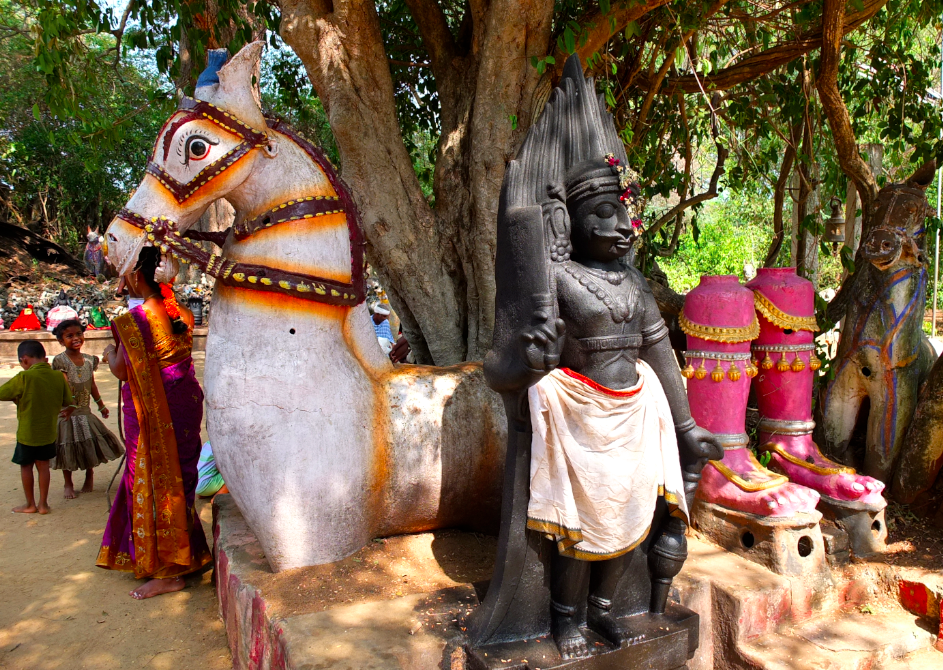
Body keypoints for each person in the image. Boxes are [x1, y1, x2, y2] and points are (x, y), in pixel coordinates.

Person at [97, 247, 212, 599]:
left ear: (136, 275)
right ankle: (187, 555)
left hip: (152, 413)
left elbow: (120, 370)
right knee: (182, 474)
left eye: (123, 273)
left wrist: (110, 354)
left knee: (155, 479)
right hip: (186, 404)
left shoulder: (132, 322)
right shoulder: (184, 314)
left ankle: (169, 570)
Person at [51, 319, 124, 498]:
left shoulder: (90, 361)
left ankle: (89, 474)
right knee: (66, 445)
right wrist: (70, 406)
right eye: (69, 336)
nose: (76, 338)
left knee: (88, 442)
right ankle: (68, 482)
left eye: (78, 334)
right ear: (61, 341)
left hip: (85, 410)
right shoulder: (60, 361)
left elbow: (92, 385)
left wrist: (101, 405)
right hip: (67, 411)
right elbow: (65, 386)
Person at [0, 340, 74, 514]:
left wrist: (17, 398)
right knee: (43, 467)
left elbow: (3, 393)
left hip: (27, 434)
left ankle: (30, 504)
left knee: (26, 466)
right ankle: (43, 505)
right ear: (46, 359)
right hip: (48, 433)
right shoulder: (58, 376)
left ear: (24, 360)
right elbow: (68, 401)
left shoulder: (24, 377)